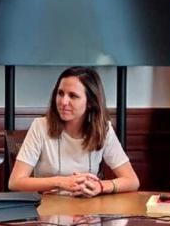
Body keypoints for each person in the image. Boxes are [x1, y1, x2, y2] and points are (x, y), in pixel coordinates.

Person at [8, 67, 139, 196]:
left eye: (73, 96)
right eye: (60, 93)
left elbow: (132, 181)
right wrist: (60, 182)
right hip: (48, 206)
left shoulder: (104, 130)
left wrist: (101, 186)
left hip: (88, 207)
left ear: (90, 102)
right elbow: (15, 182)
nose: (63, 101)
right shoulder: (40, 126)